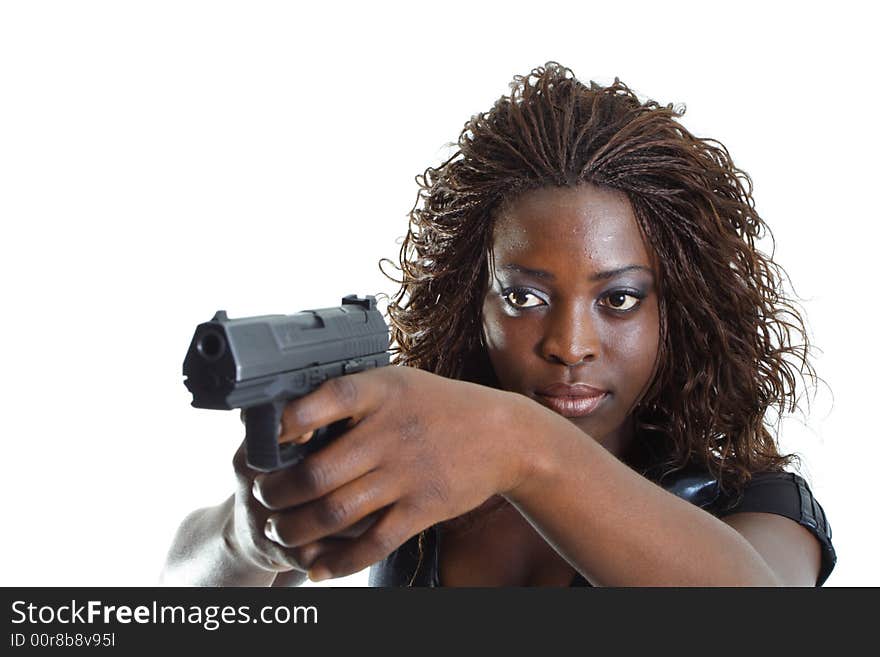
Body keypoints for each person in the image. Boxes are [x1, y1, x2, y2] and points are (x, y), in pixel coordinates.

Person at [161, 62, 836, 587]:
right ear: (472, 300)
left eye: (620, 300)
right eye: (524, 298)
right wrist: (248, 540)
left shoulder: (756, 505)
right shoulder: (415, 465)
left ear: (679, 308)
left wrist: (522, 447)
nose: (569, 346)